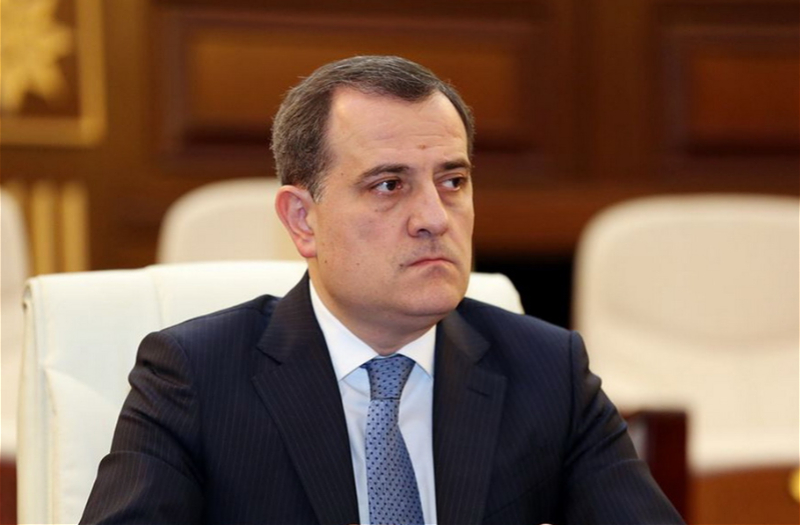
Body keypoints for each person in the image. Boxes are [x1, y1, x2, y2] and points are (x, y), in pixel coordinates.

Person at [80, 55, 683, 525]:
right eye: (389, 185)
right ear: (302, 220)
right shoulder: (195, 376)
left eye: (452, 181)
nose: (435, 217)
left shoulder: (548, 371)